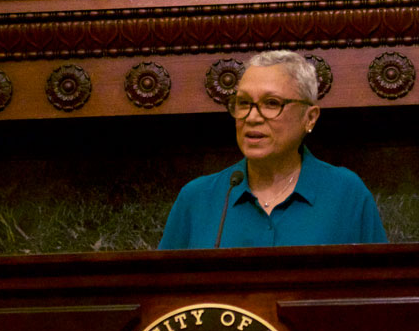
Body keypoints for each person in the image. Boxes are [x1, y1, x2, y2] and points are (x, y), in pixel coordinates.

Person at [158, 50, 387, 249]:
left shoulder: (346, 193)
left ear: (309, 118)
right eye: (244, 103)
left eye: (272, 104)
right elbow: (161, 293)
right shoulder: (197, 198)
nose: (252, 117)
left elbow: (383, 291)